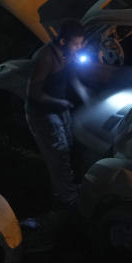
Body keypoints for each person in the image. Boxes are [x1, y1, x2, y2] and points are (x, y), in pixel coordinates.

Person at [25, 19, 89, 210]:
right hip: (43, 114)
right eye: (76, 44)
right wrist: (59, 103)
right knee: (59, 155)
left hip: (60, 109)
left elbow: (71, 77)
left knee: (68, 148)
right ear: (62, 42)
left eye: (81, 43)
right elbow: (33, 93)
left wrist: (85, 93)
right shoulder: (46, 57)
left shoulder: (68, 54)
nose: (79, 48)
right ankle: (67, 200)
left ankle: (69, 188)